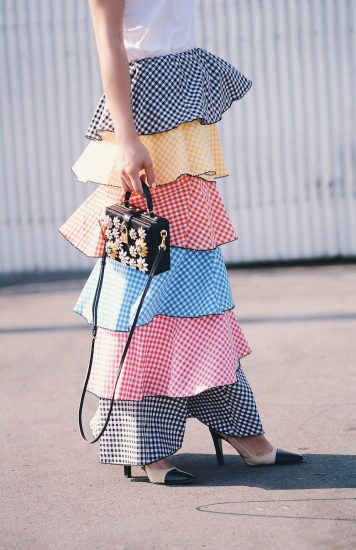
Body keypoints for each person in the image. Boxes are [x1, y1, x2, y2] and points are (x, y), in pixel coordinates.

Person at [59, 0, 303, 485]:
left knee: (196, 285)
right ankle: (145, 443)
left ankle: (239, 428)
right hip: (145, 122)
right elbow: (109, 42)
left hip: (185, 121)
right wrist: (126, 139)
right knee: (145, 288)